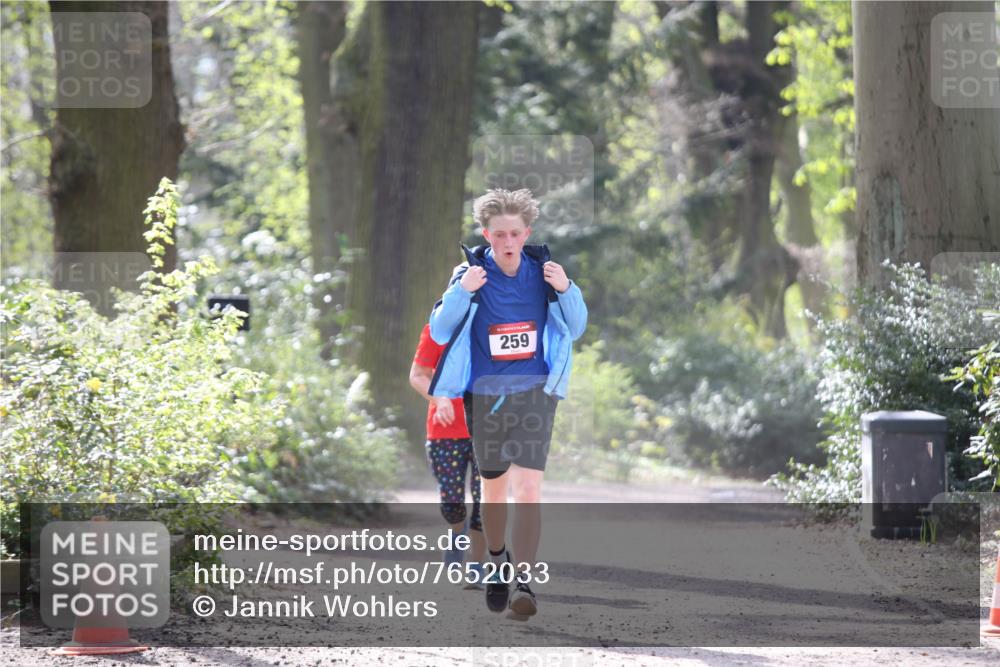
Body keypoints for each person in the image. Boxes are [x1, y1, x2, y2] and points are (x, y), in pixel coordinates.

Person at [427, 188, 587, 618]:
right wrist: (462, 291)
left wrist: (566, 287)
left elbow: (576, 327)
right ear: (487, 234)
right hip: (485, 396)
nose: (508, 241)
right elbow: (440, 332)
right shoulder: (470, 272)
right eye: (499, 234)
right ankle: (497, 560)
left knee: (529, 488)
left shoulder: (545, 272)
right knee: (495, 490)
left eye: (515, 233)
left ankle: (525, 584)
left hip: (535, 392)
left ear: (526, 233)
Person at [409, 323, 487, 588]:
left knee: (484, 501)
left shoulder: (496, 324)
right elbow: (418, 374)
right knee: (452, 505)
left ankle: (476, 565)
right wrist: (440, 399)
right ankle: (457, 531)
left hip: (489, 430)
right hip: (444, 430)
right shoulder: (437, 329)